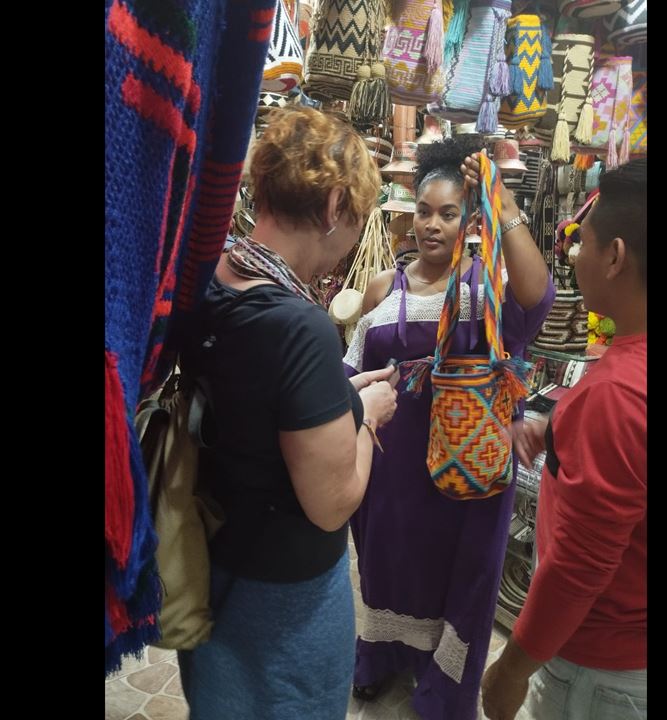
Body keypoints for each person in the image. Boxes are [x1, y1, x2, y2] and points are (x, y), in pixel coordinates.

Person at [176, 107, 400, 720]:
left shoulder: (213, 276)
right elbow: (332, 501)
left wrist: (337, 394)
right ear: (333, 207)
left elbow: (259, 402)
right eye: (356, 220)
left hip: (213, 563)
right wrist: (367, 415)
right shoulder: (299, 326)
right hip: (282, 600)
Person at [343, 137, 555, 719]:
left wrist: (504, 203)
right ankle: (378, 662)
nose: (432, 225)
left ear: (472, 216)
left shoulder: (486, 289)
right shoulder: (385, 287)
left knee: (461, 584)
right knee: (385, 570)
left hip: (471, 481)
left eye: (449, 212)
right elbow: (351, 370)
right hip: (392, 478)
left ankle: (442, 693)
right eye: (423, 211)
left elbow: (538, 302)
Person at [480, 158, 647, 720]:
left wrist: (511, 670)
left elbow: (577, 571)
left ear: (616, 256)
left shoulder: (617, 396)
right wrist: (560, 429)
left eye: (584, 241)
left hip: (599, 672)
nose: (574, 255)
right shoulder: (624, 382)